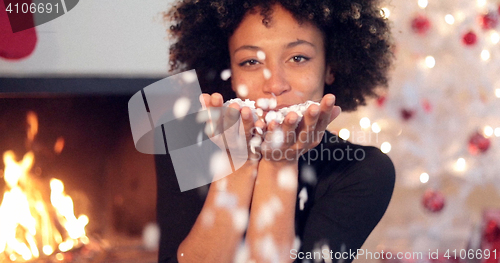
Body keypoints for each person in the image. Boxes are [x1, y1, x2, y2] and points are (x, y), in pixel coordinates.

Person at [155, 0, 395, 262]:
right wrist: (240, 163)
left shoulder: (361, 169)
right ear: (231, 75)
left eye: (298, 58)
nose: (275, 84)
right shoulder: (183, 139)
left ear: (330, 68)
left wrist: (279, 163)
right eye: (250, 62)